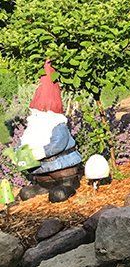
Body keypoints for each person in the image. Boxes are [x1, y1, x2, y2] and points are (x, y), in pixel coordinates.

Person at [11, 61, 83, 202]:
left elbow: (59, 143)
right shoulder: (33, 126)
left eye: (39, 112)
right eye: (34, 112)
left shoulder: (56, 124)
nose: (35, 115)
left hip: (62, 169)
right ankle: (42, 186)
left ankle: (67, 186)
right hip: (41, 172)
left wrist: (42, 152)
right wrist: (19, 154)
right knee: (26, 194)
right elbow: (23, 142)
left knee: (59, 193)